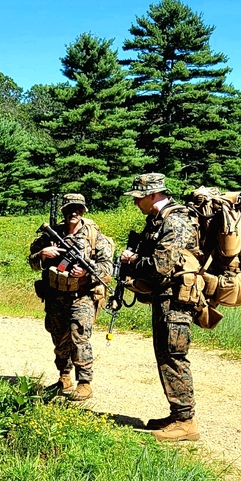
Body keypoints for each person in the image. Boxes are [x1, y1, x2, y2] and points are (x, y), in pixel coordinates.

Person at [119, 174, 200, 441]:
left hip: (176, 299)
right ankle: (177, 414)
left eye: (138, 198)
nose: (135, 203)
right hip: (166, 298)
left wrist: (133, 262)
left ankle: (186, 422)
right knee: (165, 355)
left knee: (174, 356)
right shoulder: (158, 221)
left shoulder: (174, 221)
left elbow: (160, 266)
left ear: (154, 195)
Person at [29, 193, 114, 401]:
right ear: (63, 211)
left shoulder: (94, 236)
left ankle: (84, 383)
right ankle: (64, 377)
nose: (73, 213)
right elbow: (31, 261)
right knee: (59, 337)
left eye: (77, 209)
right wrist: (42, 254)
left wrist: (86, 272)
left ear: (83, 210)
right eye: (69, 209)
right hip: (55, 295)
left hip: (82, 295)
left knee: (79, 336)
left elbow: (107, 268)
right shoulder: (52, 235)